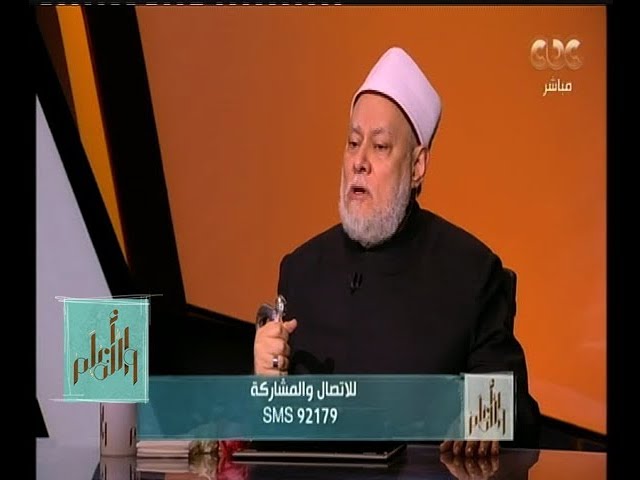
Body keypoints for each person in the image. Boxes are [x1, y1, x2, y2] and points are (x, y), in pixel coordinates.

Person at [253, 47, 540, 457]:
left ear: (417, 166)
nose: (359, 162)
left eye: (380, 146)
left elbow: (515, 413)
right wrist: (265, 384)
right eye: (353, 143)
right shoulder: (300, 270)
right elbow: (273, 437)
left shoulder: (471, 272)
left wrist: (482, 420)